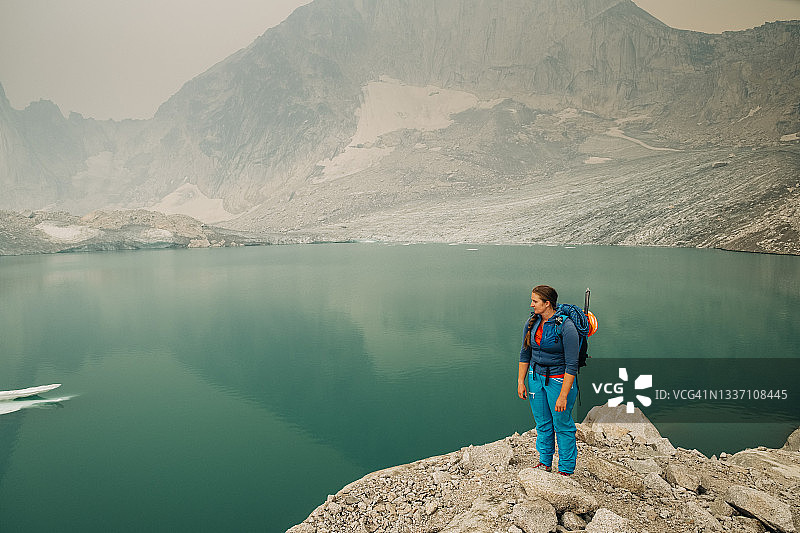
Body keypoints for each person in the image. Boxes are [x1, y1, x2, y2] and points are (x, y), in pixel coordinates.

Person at [517, 285, 579, 476]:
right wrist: (521, 381)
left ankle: (566, 470)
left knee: (562, 424)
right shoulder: (532, 322)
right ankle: (545, 462)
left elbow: (572, 365)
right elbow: (525, 353)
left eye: (535, 301)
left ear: (547, 303)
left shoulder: (566, 327)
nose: (531, 304)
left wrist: (563, 395)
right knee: (543, 422)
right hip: (535, 378)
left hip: (559, 380)